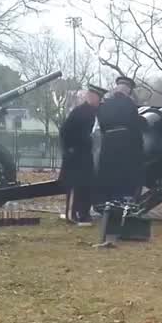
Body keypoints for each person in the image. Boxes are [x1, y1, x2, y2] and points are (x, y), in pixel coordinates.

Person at [94, 76, 146, 206]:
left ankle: (105, 200)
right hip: (125, 144)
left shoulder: (104, 104)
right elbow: (134, 124)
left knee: (108, 173)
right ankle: (122, 200)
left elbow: (102, 124)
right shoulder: (129, 104)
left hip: (108, 144)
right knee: (123, 175)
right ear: (128, 91)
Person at [59, 84, 104, 225]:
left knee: (85, 185)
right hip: (76, 155)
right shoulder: (81, 112)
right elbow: (65, 131)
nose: (98, 101)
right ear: (90, 97)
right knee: (74, 186)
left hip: (84, 155)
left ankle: (83, 213)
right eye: (97, 98)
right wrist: (69, 148)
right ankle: (71, 214)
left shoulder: (91, 112)